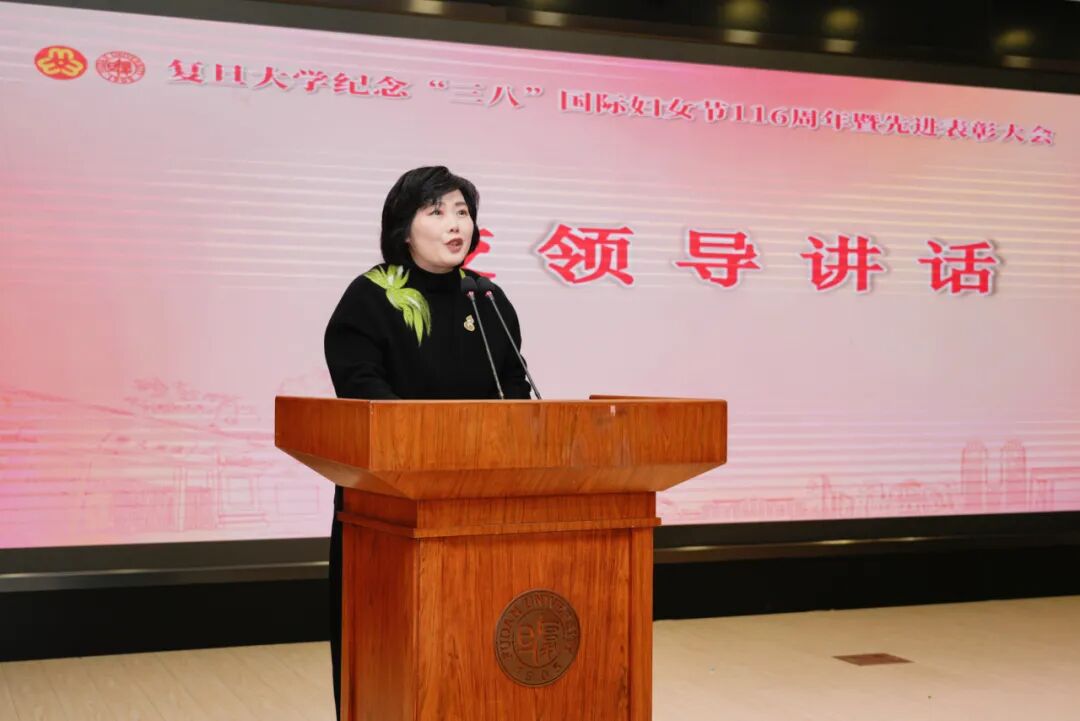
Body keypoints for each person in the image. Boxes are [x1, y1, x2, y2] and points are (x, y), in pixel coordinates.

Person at [323, 166, 532, 718]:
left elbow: (514, 389)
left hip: (483, 502)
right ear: (403, 228)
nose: (455, 224)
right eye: (436, 212)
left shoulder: (486, 298)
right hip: (392, 505)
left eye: (462, 211)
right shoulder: (372, 297)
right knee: (399, 650)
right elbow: (361, 388)